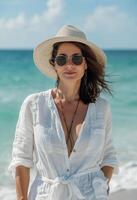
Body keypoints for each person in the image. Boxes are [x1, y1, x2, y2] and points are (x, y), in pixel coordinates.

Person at [8, 25, 119, 200]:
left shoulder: (101, 108)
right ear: (54, 65)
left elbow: (109, 157)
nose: (69, 65)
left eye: (76, 59)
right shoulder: (34, 105)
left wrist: (100, 189)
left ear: (85, 64)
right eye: (61, 59)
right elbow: (21, 159)